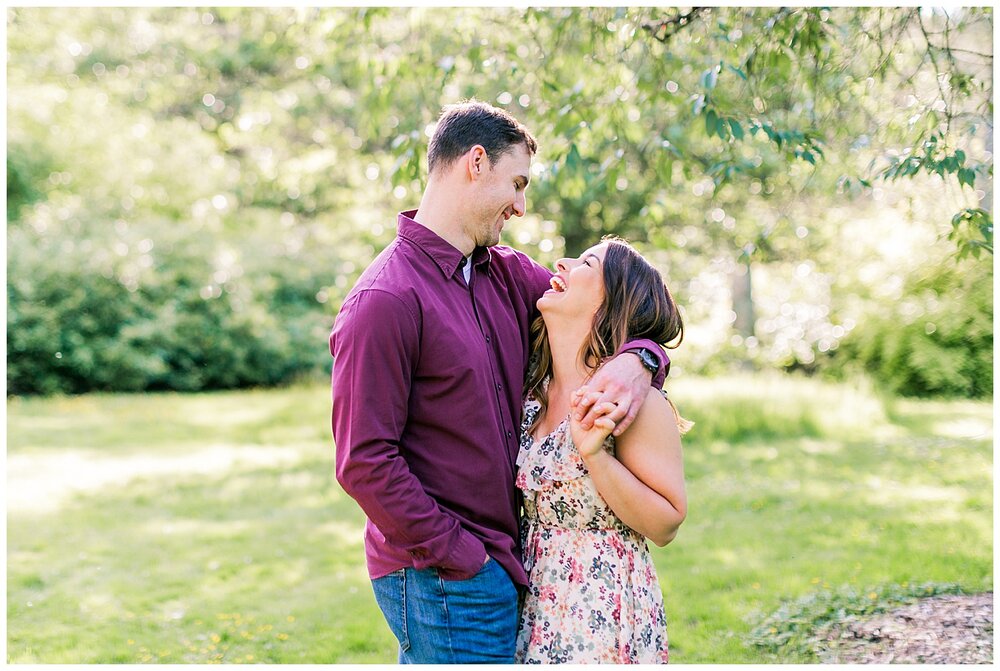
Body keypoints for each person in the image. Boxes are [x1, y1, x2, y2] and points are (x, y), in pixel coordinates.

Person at [329, 100, 670, 664]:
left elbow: (618, 310)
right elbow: (364, 461)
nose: (520, 205)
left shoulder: (507, 275)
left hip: (508, 565)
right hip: (444, 575)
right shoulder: (384, 301)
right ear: (476, 162)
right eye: (517, 183)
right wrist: (462, 556)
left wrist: (642, 360)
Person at [514, 237, 691, 664]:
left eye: (586, 262)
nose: (562, 262)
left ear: (610, 301)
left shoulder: (635, 402)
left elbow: (667, 522)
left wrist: (596, 456)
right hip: (533, 601)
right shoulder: (532, 390)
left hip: (600, 609)